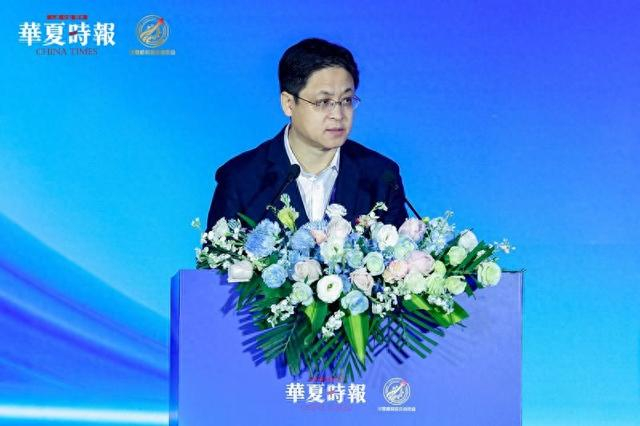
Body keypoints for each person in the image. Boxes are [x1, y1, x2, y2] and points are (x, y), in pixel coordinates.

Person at [207, 38, 408, 231]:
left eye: (346, 100)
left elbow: (404, 252)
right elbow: (218, 253)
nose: (338, 115)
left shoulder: (382, 176)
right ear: (288, 103)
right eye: (324, 102)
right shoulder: (240, 179)